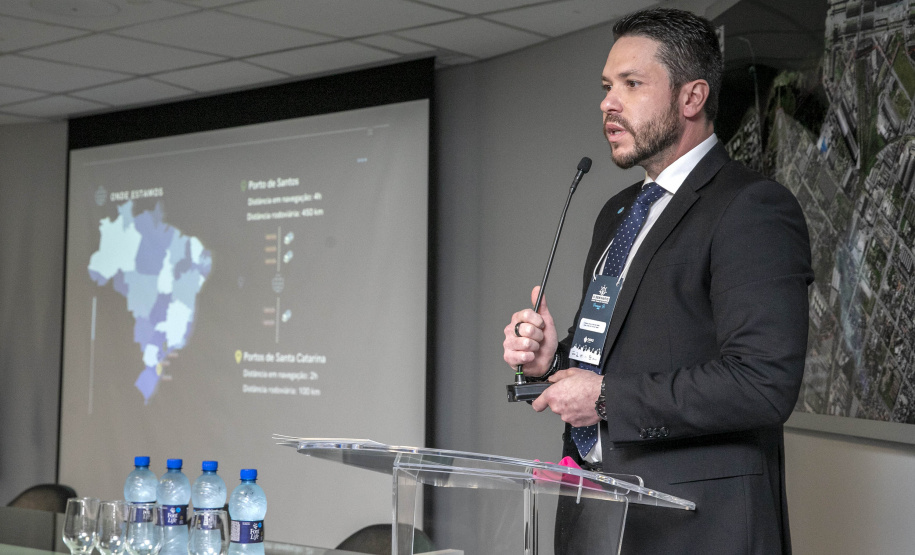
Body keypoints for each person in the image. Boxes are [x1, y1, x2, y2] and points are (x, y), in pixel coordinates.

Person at [503, 7, 813, 554]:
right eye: (606, 87)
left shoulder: (751, 207)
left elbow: (763, 383)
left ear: (691, 97)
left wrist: (605, 399)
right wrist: (553, 359)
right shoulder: (618, 213)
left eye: (631, 84)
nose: (608, 103)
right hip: (594, 519)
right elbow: (619, 351)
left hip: (695, 530)